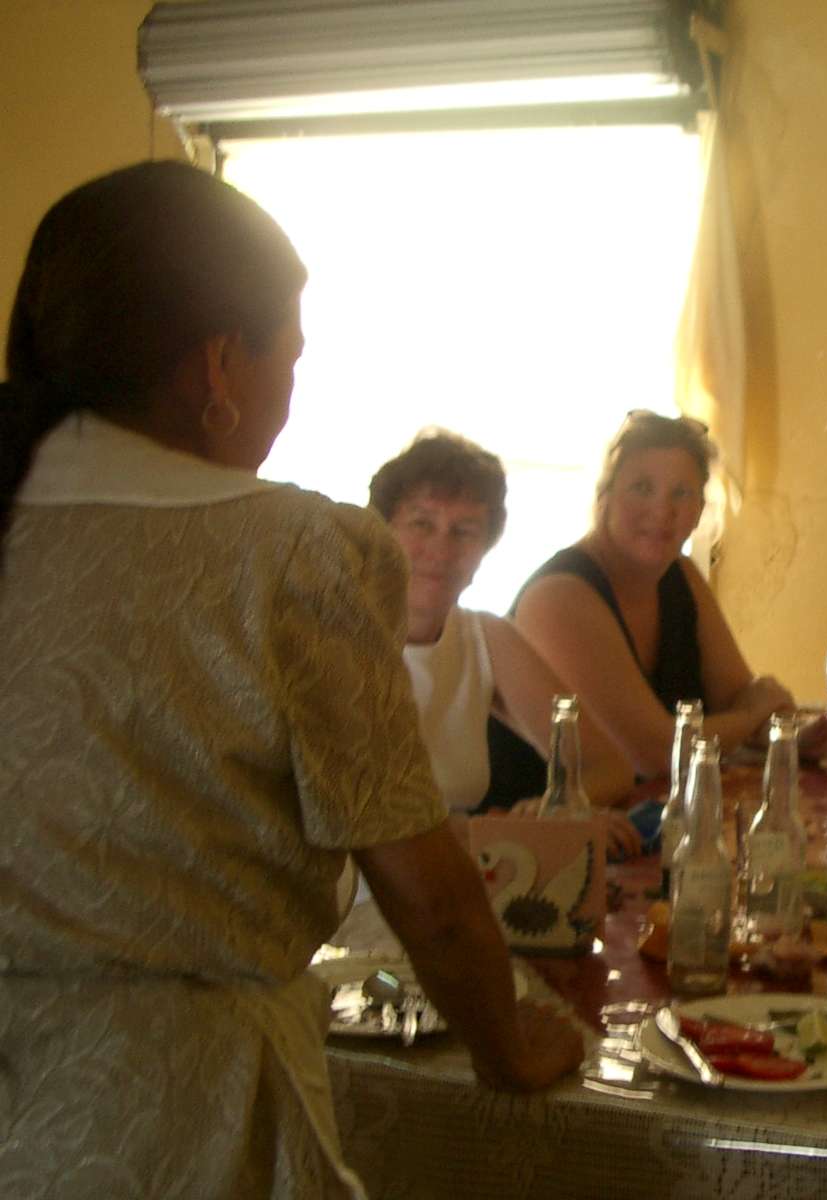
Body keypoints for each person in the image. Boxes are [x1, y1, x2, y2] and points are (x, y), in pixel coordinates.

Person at [0, 162, 581, 1197]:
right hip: (175, 1117)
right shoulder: (296, 550)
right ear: (222, 366)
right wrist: (506, 1045)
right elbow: (423, 884)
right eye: (291, 355)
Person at [368, 429, 639, 857]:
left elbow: (608, 767)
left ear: (485, 549)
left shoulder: (484, 637)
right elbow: (373, 826)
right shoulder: (335, 637)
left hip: (461, 874)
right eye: (422, 523)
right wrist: (521, 835)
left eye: (464, 530)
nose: (441, 548)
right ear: (381, 533)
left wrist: (556, 812)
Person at [496, 410, 800, 779]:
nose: (661, 510)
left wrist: (793, 735)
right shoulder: (558, 597)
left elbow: (743, 699)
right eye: (642, 488)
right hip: (534, 825)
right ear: (604, 497)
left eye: (681, 493)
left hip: (644, 817)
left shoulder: (682, 576)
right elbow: (654, 755)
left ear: (699, 511)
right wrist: (751, 718)